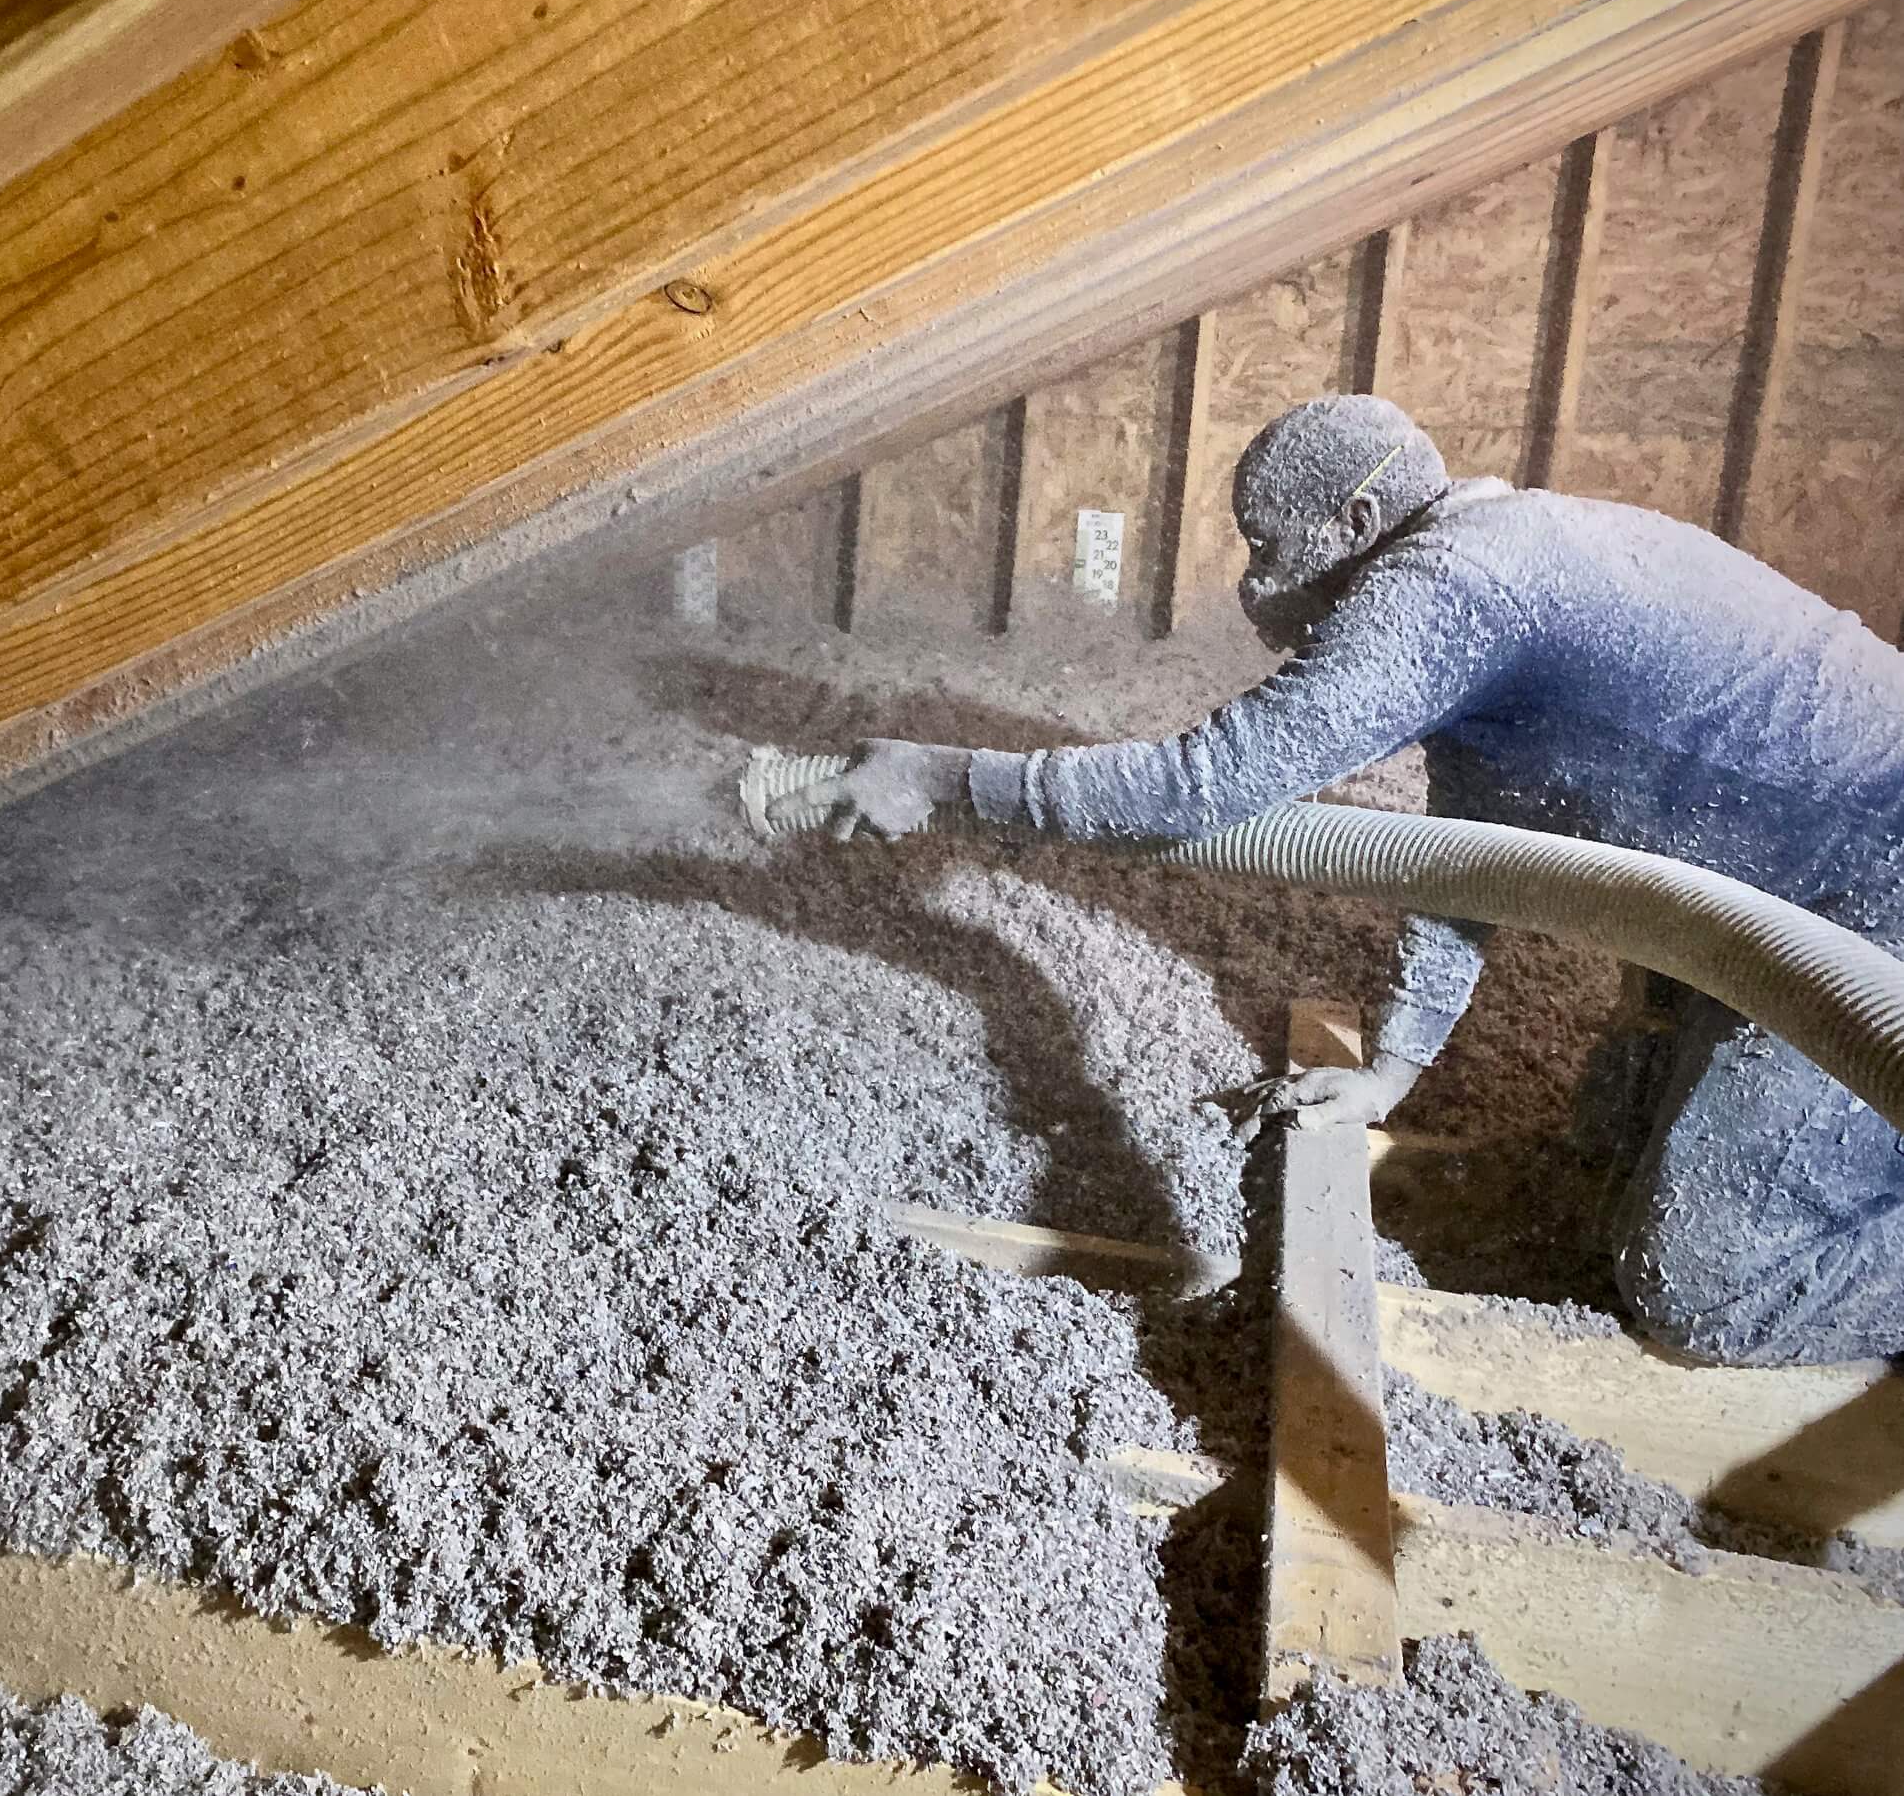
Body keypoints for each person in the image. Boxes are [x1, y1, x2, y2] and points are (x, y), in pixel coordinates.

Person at [786, 394, 1904, 1366]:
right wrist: (1393, 1073)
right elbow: (1468, 858)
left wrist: (943, 776)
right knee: (1608, 1144)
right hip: (1788, 883)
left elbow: (1201, 783)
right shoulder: (1495, 551)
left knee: (1704, 1284)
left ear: (1360, 521)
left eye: (1270, 549)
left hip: (1874, 891)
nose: (1258, 584)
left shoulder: (1456, 585)